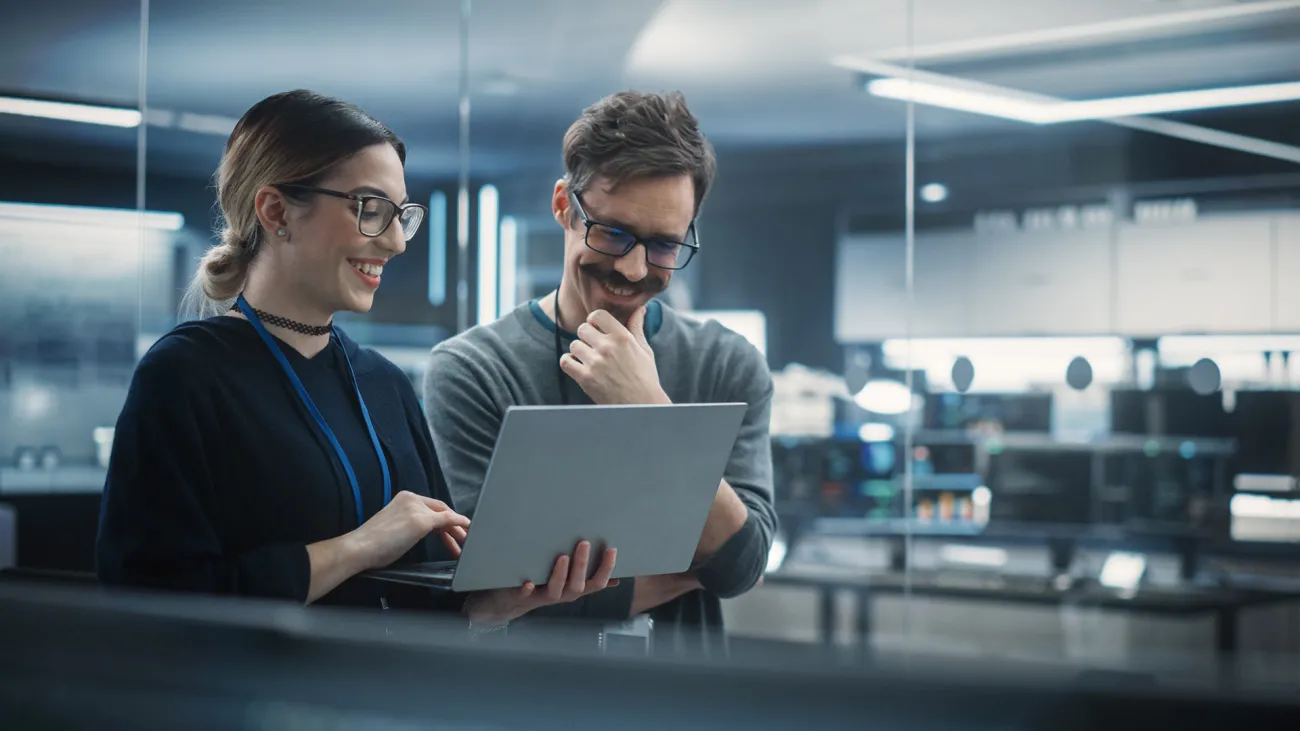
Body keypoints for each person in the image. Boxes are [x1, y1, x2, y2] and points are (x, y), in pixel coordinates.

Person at [96, 90, 615, 616]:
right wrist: (360, 546)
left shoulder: (384, 384)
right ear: (276, 211)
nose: (396, 242)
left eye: (400, 215)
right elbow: (150, 602)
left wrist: (497, 602)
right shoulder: (185, 375)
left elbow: (428, 599)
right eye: (370, 209)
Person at [424, 91, 776, 654]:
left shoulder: (727, 362)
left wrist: (649, 408)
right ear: (564, 206)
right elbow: (486, 587)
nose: (633, 269)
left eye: (664, 245)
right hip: (529, 690)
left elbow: (741, 565)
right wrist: (692, 567)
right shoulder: (472, 369)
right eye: (612, 233)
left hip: (680, 695)